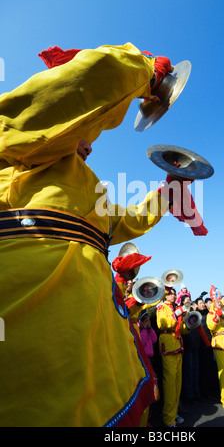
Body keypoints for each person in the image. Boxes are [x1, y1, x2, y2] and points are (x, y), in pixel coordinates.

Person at [0, 43, 174, 427]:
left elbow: (120, 223)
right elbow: (89, 80)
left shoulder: (82, 182)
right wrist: (147, 72)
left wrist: (167, 193)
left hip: (94, 361)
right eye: (83, 130)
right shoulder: (11, 140)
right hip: (33, 355)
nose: (91, 146)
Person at [156, 287, 189, 427]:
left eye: (175, 293)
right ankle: (168, 418)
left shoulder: (173, 308)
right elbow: (162, 324)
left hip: (177, 345)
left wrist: (189, 324)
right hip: (168, 344)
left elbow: (181, 329)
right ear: (165, 296)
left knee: (177, 384)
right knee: (169, 384)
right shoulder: (161, 307)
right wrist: (176, 313)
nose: (174, 295)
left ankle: (173, 413)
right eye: (171, 294)